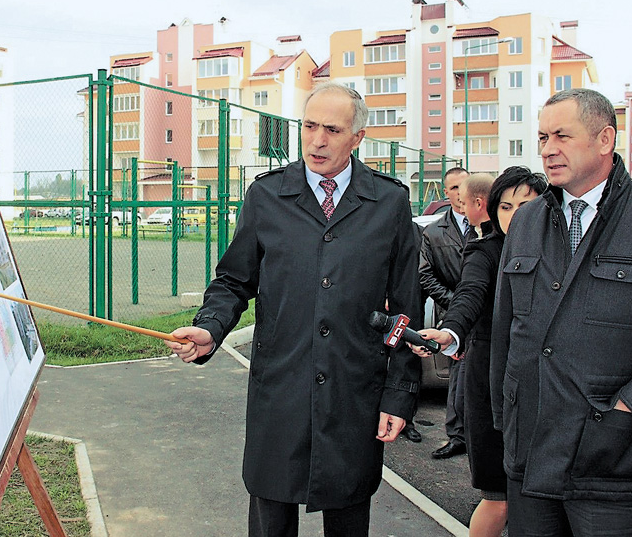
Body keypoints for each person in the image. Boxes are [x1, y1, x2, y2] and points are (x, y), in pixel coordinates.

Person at [165, 82, 423, 537]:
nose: (318, 140)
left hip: (352, 391)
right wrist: (210, 328)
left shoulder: (389, 203)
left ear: (357, 138)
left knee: (348, 511)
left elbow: (405, 309)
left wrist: (398, 393)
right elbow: (233, 280)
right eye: (309, 126)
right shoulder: (267, 196)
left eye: (332, 129)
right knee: (270, 515)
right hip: (280, 388)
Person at [491, 88, 632, 536]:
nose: (547, 150)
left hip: (614, 463)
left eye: (562, 136)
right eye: (542, 137)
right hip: (530, 460)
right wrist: (504, 419)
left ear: (605, 139)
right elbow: (506, 329)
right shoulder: (526, 221)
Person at [416, 167, 546, 537]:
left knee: (542, 498)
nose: (514, 216)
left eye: (525, 205)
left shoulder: (561, 250)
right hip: (491, 381)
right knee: (499, 496)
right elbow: (469, 295)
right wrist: (449, 332)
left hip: (546, 386)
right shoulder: (485, 250)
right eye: (505, 207)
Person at [419, 166, 470, 459]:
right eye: (454, 188)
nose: (460, 193)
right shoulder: (434, 231)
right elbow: (425, 276)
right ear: (445, 193)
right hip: (452, 315)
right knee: (457, 376)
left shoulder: (490, 224)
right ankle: (456, 436)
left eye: (465, 185)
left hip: (486, 315)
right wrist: (456, 304)